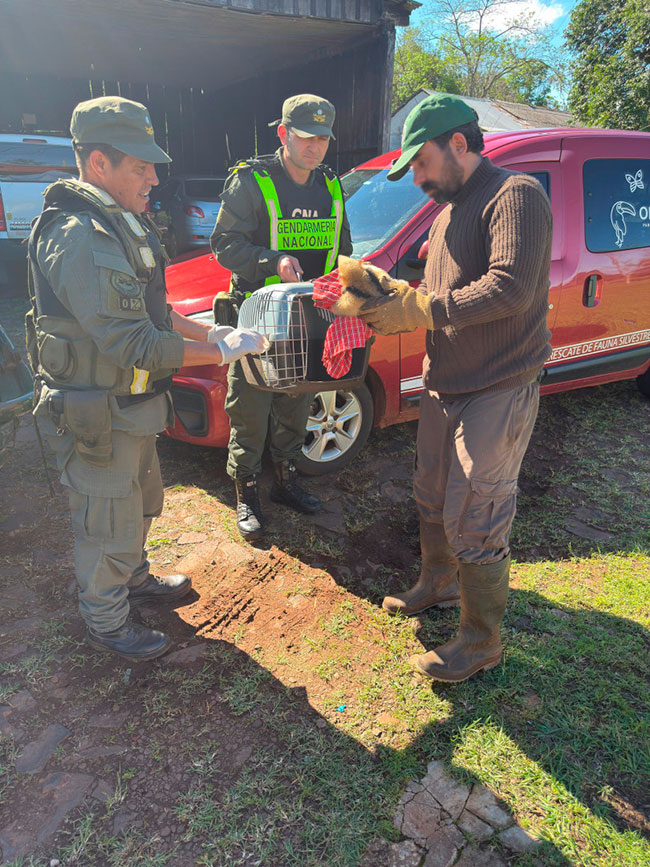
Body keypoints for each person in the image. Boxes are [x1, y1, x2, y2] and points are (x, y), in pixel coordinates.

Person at [27, 96, 266, 662]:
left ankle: (133, 580)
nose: (154, 178)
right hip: (98, 410)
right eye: (140, 167)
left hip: (130, 408)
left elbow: (154, 311)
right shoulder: (79, 235)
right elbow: (133, 343)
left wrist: (211, 331)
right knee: (107, 520)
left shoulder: (120, 222)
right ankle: (106, 619)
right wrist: (218, 353)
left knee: (139, 502)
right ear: (98, 163)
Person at [359, 94, 553, 683]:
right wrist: (395, 292)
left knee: (478, 512)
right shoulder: (446, 214)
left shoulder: (515, 195)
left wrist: (420, 308)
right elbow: (443, 291)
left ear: (459, 145)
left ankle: (480, 640)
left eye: (421, 162)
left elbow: (511, 289)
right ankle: (439, 583)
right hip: (445, 384)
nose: (417, 178)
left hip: (497, 386)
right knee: (432, 493)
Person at [211, 93, 353, 542]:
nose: (315, 146)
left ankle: (287, 482)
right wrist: (272, 260)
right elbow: (224, 245)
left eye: (322, 139)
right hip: (259, 318)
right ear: (283, 134)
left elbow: (343, 249)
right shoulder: (252, 181)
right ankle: (247, 493)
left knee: (296, 401)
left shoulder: (330, 184)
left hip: (310, 319)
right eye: (306, 137)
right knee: (250, 410)